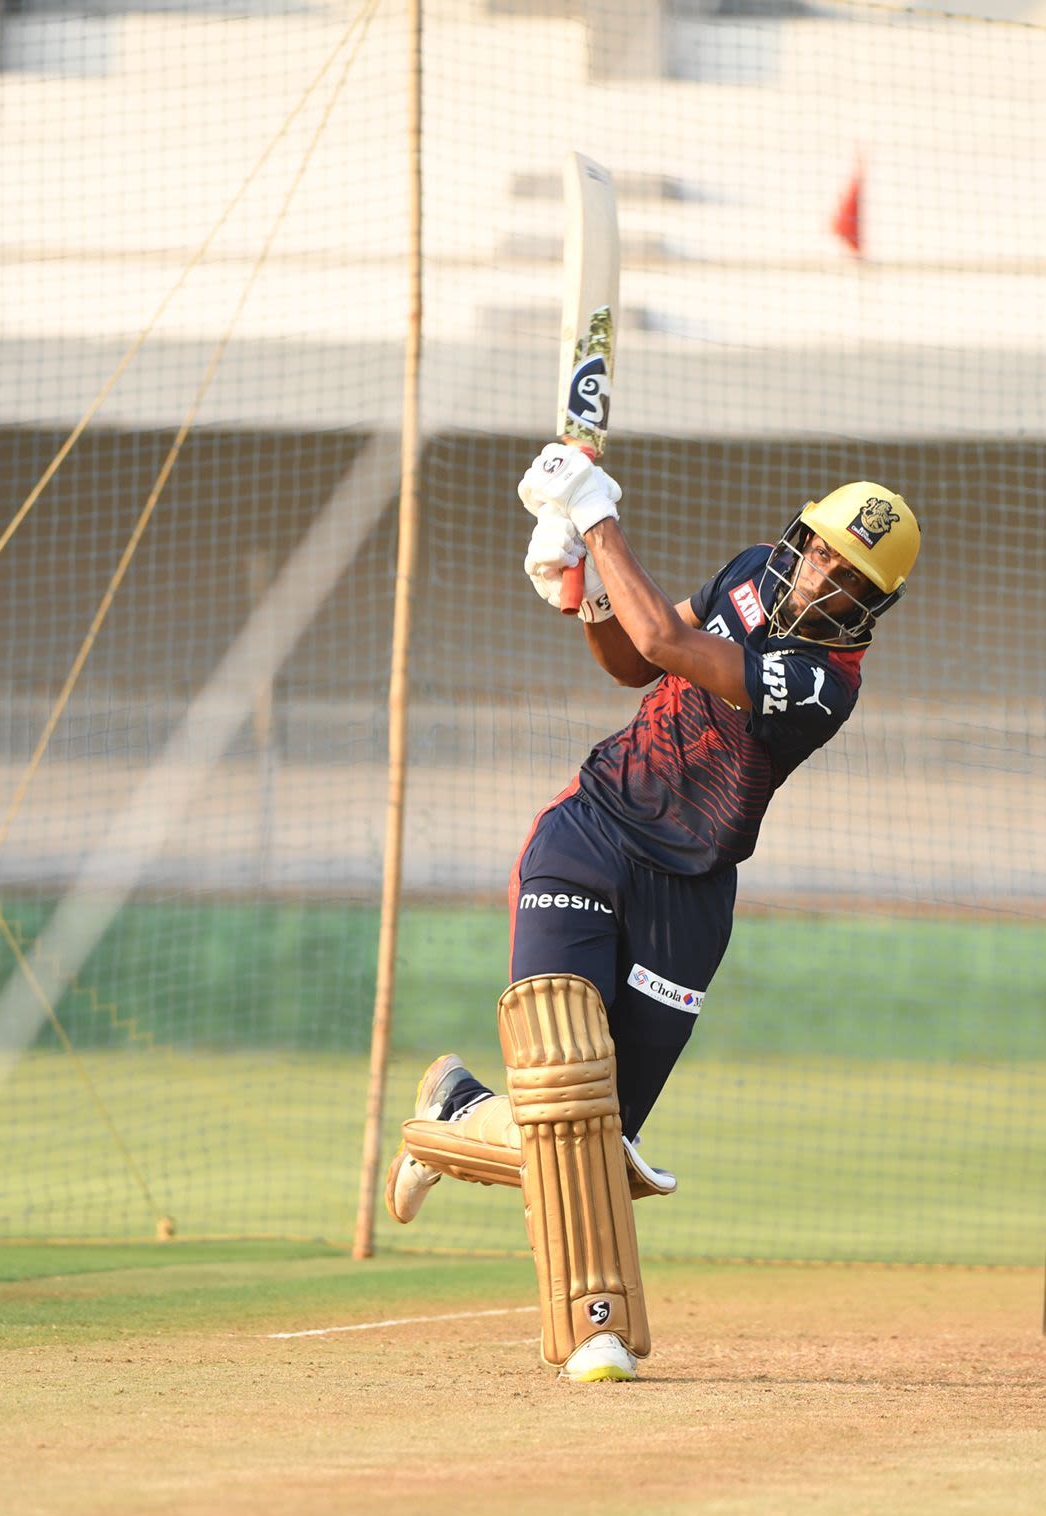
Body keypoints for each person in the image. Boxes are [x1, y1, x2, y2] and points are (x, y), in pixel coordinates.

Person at [385, 444, 921, 1383]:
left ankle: (459, 1114)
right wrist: (581, 588)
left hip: (693, 889)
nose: (825, 574)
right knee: (570, 1089)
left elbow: (680, 652)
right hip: (590, 832)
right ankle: (591, 1331)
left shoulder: (825, 682)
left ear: (871, 607)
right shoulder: (754, 567)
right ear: (801, 537)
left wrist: (595, 511)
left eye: (851, 576)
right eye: (824, 549)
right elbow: (635, 662)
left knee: (595, 1140)